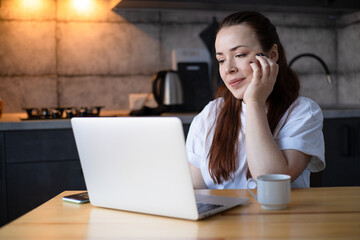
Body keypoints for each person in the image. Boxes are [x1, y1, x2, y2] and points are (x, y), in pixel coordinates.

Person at [185, 11, 325, 189]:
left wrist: (254, 102)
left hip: (279, 217)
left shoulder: (302, 111)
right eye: (221, 60)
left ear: (273, 55)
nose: (228, 69)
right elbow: (196, 190)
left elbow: (271, 182)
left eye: (240, 55)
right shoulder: (210, 114)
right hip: (223, 217)